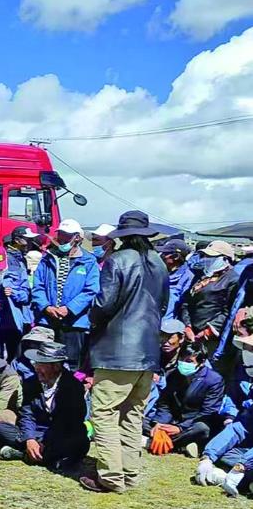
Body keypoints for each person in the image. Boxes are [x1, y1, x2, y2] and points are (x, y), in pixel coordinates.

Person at [83, 211, 169, 493]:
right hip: (148, 350)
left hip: (117, 351)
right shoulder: (159, 262)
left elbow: (104, 304)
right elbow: (164, 305)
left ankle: (110, 476)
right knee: (133, 414)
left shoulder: (118, 260)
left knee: (104, 413)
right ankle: (129, 474)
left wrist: (93, 319)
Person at [0, 341, 90, 471]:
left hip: (61, 434)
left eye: (41, 364)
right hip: (37, 431)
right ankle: (45, 456)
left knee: (80, 442)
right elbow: (27, 414)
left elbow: (71, 421)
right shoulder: (31, 383)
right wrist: (29, 438)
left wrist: (44, 442)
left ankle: (25, 455)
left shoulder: (73, 386)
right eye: (36, 363)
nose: (36, 368)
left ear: (56, 367)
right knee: (1, 428)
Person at [31, 219, 100, 372]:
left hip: (75, 322)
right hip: (48, 321)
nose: (62, 238)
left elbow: (91, 289)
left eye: (67, 235)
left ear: (77, 237)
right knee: (46, 363)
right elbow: (38, 286)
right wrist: (46, 306)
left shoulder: (88, 261)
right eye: (60, 234)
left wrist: (69, 308)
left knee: (72, 365)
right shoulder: (48, 258)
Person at [143, 342, 224, 458]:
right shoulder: (173, 374)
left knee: (202, 429)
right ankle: (179, 445)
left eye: (189, 361)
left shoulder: (214, 380)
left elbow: (208, 412)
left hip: (193, 423)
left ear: (201, 362)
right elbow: (165, 403)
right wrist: (160, 424)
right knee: (143, 421)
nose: (183, 363)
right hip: (172, 420)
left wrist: (180, 428)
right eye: (181, 359)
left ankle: (154, 442)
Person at [178, 240, 237, 358]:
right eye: (205, 256)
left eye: (211, 257)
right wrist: (187, 325)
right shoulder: (202, 276)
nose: (206, 259)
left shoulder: (233, 280)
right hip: (191, 332)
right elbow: (187, 302)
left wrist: (208, 331)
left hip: (212, 338)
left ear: (225, 259)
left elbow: (229, 311)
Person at [195, 407, 253, 497]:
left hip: (248, 459)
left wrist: (242, 466)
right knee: (226, 457)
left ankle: (224, 478)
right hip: (243, 454)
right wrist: (207, 457)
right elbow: (236, 430)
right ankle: (244, 482)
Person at [157, 239, 193, 321]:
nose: (161, 256)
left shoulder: (188, 277)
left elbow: (185, 305)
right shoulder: (158, 270)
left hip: (168, 324)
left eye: (165, 254)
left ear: (175, 257)